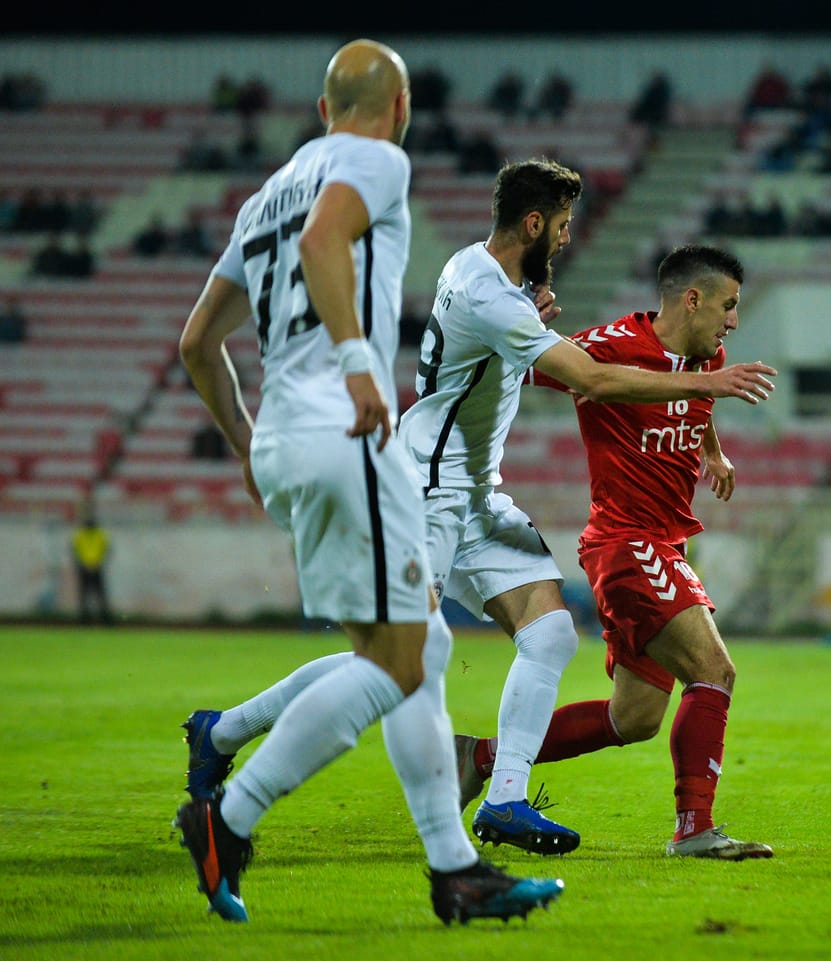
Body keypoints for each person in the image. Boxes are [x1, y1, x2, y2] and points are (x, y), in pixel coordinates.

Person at [171, 38, 562, 926]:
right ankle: (227, 819)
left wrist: (244, 442)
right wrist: (355, 363)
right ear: (400, 106)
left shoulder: (262, 197)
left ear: (320, 111)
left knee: (411, 651)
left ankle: (455, 869)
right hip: (345, 433)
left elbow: (199, 343)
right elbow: (324, 240)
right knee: (399, 660)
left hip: (287, 438)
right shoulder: (378, 159)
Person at [455, 244, 777, 861]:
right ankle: (695, 830)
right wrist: (516, 324)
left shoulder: (707, 356)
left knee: (634, 718)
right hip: (627, 543)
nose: (734, 320)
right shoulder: (606, 349)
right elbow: (522, 365)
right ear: (693, 298)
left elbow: (692, 396)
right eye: (728, 305)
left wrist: (711, 451)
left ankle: (481, 757)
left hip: (664, 540)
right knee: (715, 671)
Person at [70, 507, 113, 625]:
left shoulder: (99, 534)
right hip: (85, 568)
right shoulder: (80, 535)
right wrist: (83, 563)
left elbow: (107, 549)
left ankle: (105, 619)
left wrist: (98, 561)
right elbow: (74, 551)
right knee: (85, 595)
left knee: (99, 595)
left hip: (96, 567)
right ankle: (84, 620)